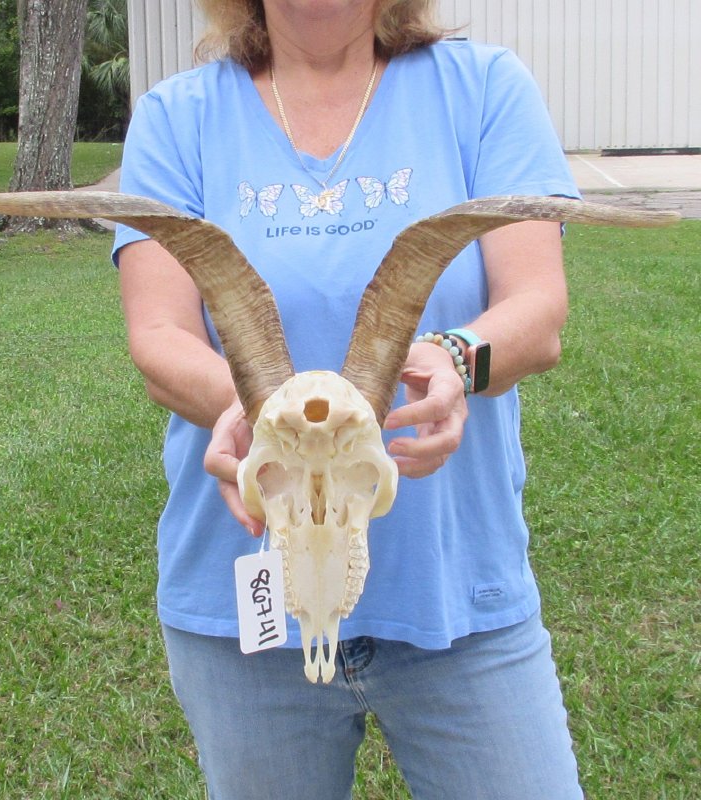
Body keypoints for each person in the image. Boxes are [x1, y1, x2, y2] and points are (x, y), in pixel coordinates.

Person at [113, 1, 584, 797]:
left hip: (457, 594)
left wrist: (454, 358)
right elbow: (158, 336)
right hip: (246, 618)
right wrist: (253, 415)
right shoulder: (177, 118)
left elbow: (537, 311)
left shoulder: (482, 90)